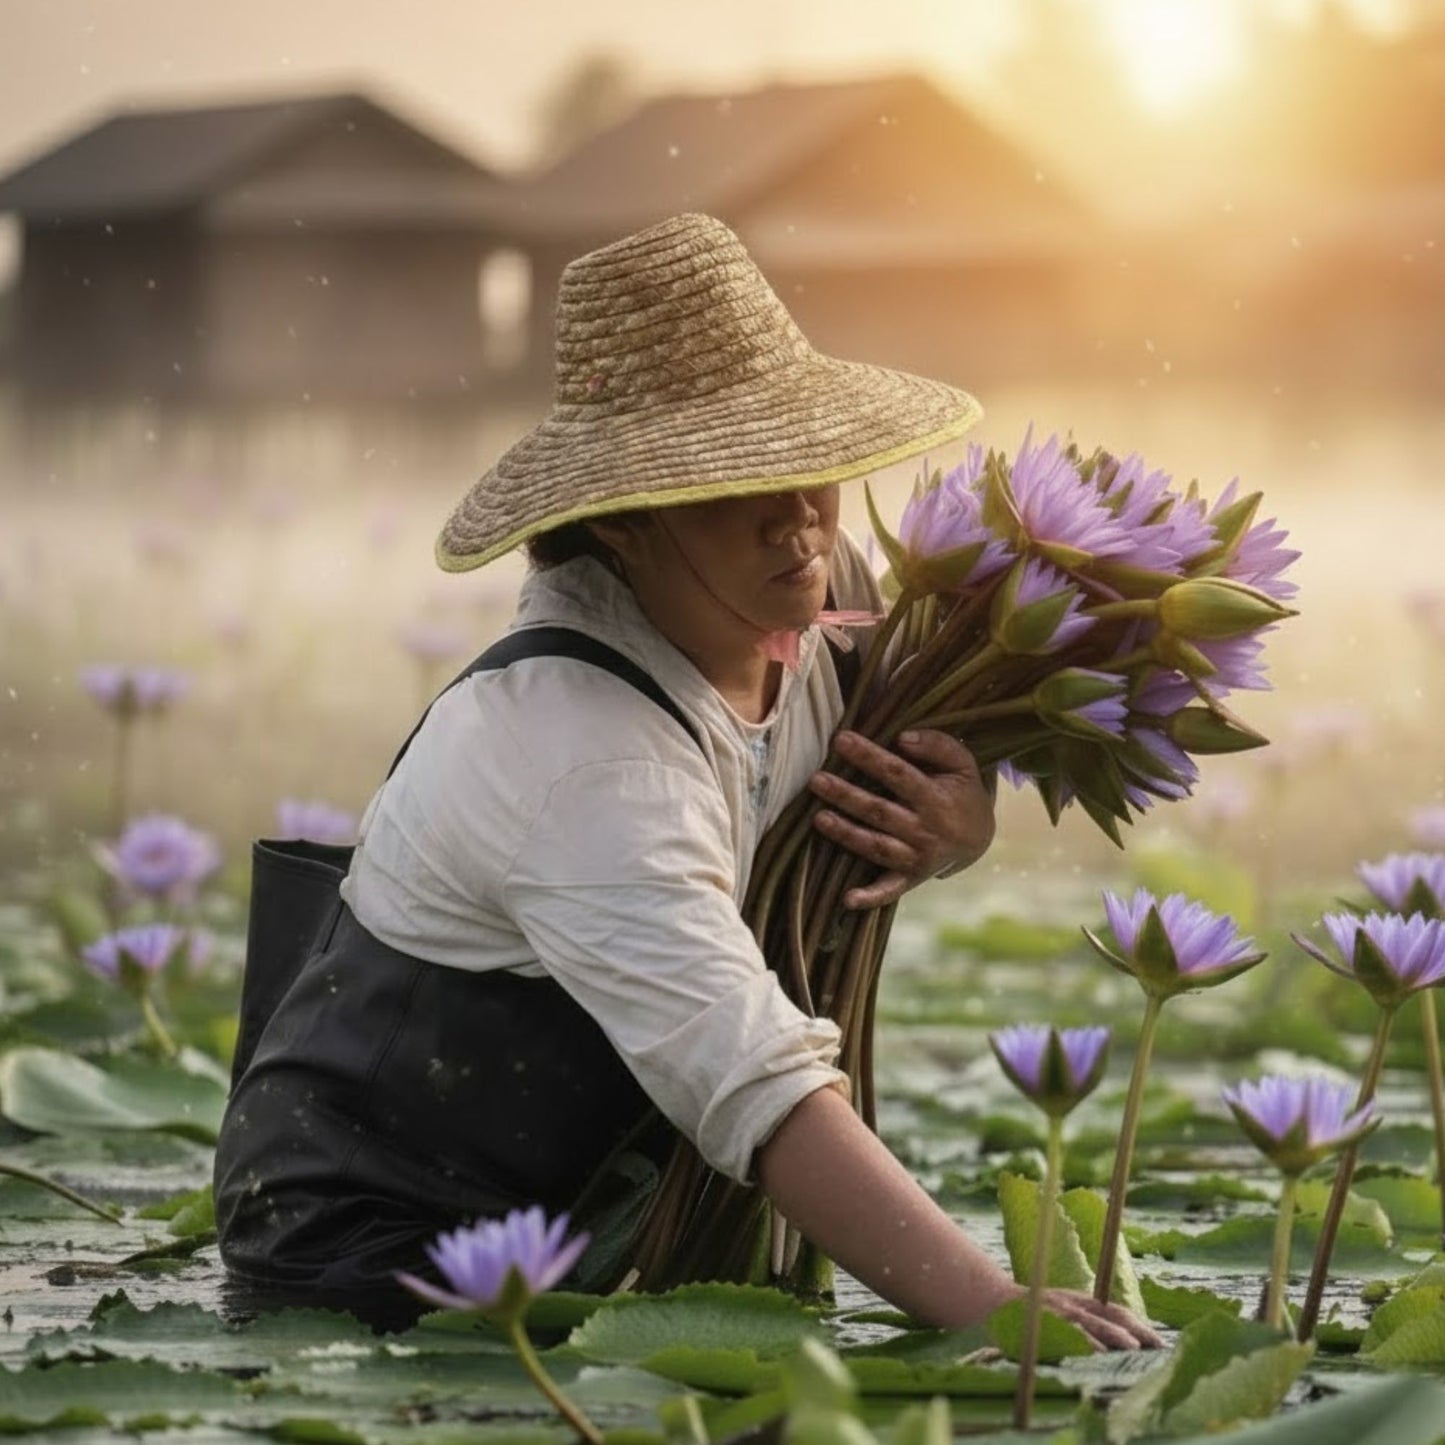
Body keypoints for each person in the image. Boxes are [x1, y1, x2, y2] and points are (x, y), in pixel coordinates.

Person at [214, 212, 1158, 1349]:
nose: (797, 515)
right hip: (380, 1260)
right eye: (731, 480)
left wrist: (960, 824)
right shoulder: (574, 750)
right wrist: (987, 1310)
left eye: (803, 460)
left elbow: (917, 743)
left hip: (601, 1221)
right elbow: (748, 1077)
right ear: (618, 521)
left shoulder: (821, 589)